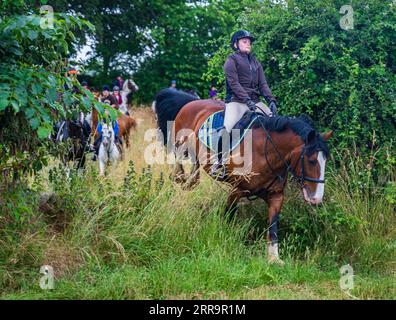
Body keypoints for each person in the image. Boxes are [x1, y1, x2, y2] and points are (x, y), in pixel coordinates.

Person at [210, 30, 278, 179]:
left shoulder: (255, 62)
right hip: (237, 101)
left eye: (249, 42)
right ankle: (218, 163)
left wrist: (271, 100)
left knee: (275, 124)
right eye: (244, 41)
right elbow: (234, 83)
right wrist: (246, 99)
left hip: (255, 101)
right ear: (236, 44)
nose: (249, 44)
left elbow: (263, 84)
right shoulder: (231, 60)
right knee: (228, 128)